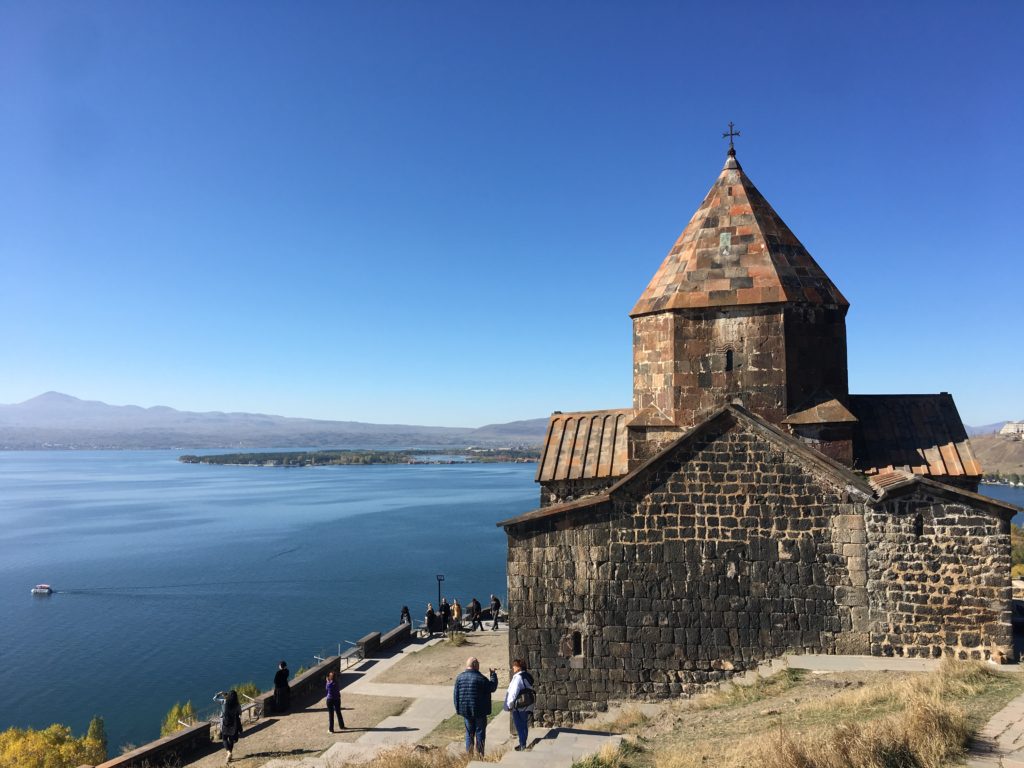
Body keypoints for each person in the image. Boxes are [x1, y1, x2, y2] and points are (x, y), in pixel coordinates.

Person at [453, 656, 498, 756]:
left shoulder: (459, 678)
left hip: (466, 712)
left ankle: (469, 756)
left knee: (469, 734)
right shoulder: (481, 678)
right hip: (480, 712)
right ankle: (480, 756)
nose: (479, 665)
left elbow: (456, 695)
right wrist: (493, 675)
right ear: (475, 665)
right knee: (480, 734)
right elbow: (492, 687)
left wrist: (458, 709)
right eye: (478, 663)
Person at [503, 658, 535, 751]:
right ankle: (522, 743)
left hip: (520, 705)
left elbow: (513, 693)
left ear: (518, 667)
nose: (513, 667)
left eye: (514, 665)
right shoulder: (526, 675)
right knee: (523, 724)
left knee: (519, 725)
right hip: (527, 703)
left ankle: (522, 744)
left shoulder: (518, 677)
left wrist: (508, 705)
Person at [213, 690, 243, 764]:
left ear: (228, 696)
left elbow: (214, 699)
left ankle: (228, 753)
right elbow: (240, 713)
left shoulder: (224, 701)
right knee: (231, 739)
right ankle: (229, 754)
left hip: (225, 723)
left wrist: (219, 694)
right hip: (234, 724)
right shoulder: (237, 704)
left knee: (224, 738)